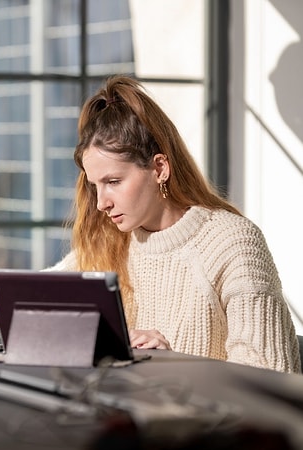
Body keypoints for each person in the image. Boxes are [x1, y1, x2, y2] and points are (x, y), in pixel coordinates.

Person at [47, 75, 300, 373]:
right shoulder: (110, 241)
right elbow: (32, 296)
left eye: (113, 181)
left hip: (214, 419)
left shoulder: (233, 242)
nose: (102, 202)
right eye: (95, 185)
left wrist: (171, 365)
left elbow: (266, 374)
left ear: (159, 168)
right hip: (127, 413)